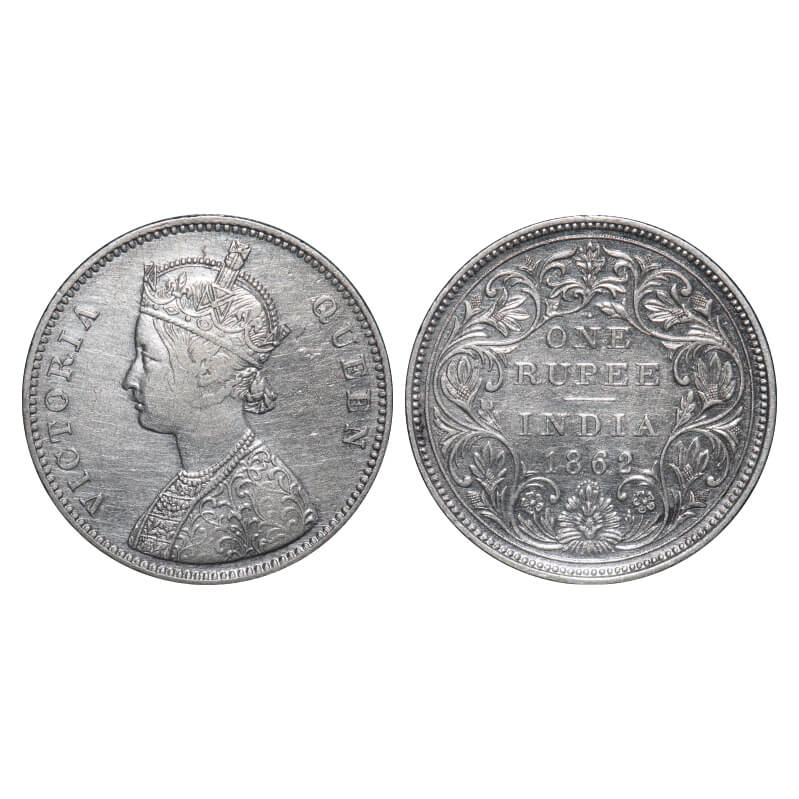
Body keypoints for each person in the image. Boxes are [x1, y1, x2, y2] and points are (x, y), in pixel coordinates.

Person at [122, 240, 317, 563]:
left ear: (209, 372)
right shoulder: (193, 479)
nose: (130, 379)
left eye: (148, 357)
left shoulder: (269, 499)